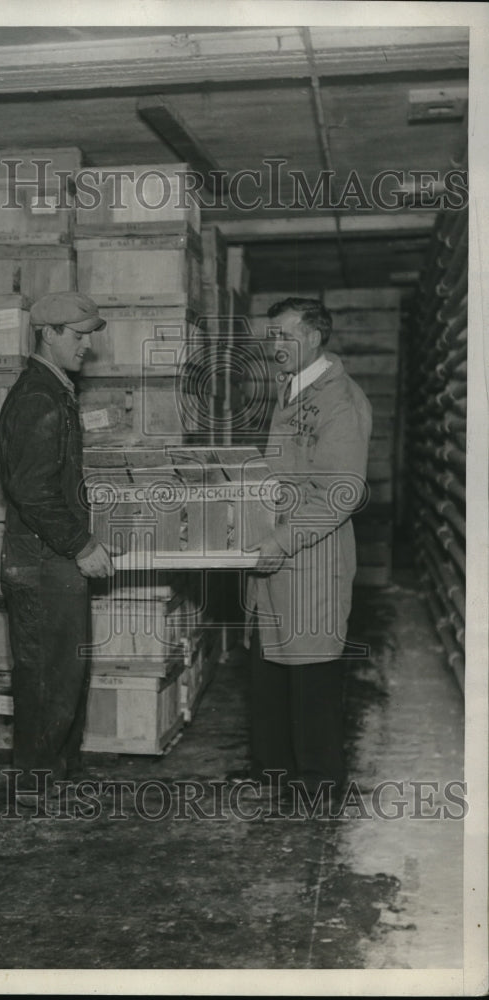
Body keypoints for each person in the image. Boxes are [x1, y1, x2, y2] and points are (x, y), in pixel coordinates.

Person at [242, 297, 372, 799]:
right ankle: (271, 776)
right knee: (270, 670)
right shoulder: (291, 389)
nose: (275, 345)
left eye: (285, 335)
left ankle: (318, 789)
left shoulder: (340, 401)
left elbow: (340, 493)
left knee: (312, 676)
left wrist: (280, 538)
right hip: (276, 558)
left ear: (315, 337)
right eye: (271, 335)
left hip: (310, 557)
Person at [0, 291, 114, 810]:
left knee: (65, 676)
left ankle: (59, 779)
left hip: (52, 561)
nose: (86, 344)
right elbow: (30, 488)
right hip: (43, 562)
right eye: (78, 334)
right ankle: (34, 790)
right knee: (46, 680)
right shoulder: (38, 397)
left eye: (88, 334)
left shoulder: (56, 391)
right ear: (48, 333)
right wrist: (80, 543)